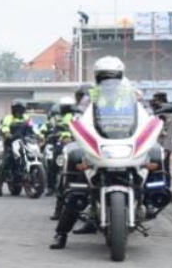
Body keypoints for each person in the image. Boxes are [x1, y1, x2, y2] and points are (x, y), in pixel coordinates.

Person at [51, 57, 131, 248]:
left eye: (113, 76)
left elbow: (144, 113)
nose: (109, 81)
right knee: (78, 189)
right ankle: (61, 233)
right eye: (105, 76)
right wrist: (77, 123)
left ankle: (151, 199)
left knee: (151, 160)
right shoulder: (91, 96)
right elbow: (79, 116)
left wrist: (151, 117)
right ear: (97, 77)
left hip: (125, 142)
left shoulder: (130, 94)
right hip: (97, 145)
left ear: (120, 77)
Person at [0, 101, 34, 195]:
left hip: (24, 142)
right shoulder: (8, 118)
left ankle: (32, 181)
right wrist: (7, 133)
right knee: (6, 162)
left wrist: (39, 136)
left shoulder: (27, 118)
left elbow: (32, 129)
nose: (18, 111)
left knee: (34, 155)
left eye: (20, 109)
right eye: (16, 109)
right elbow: (4, 127)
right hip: (11, 142)